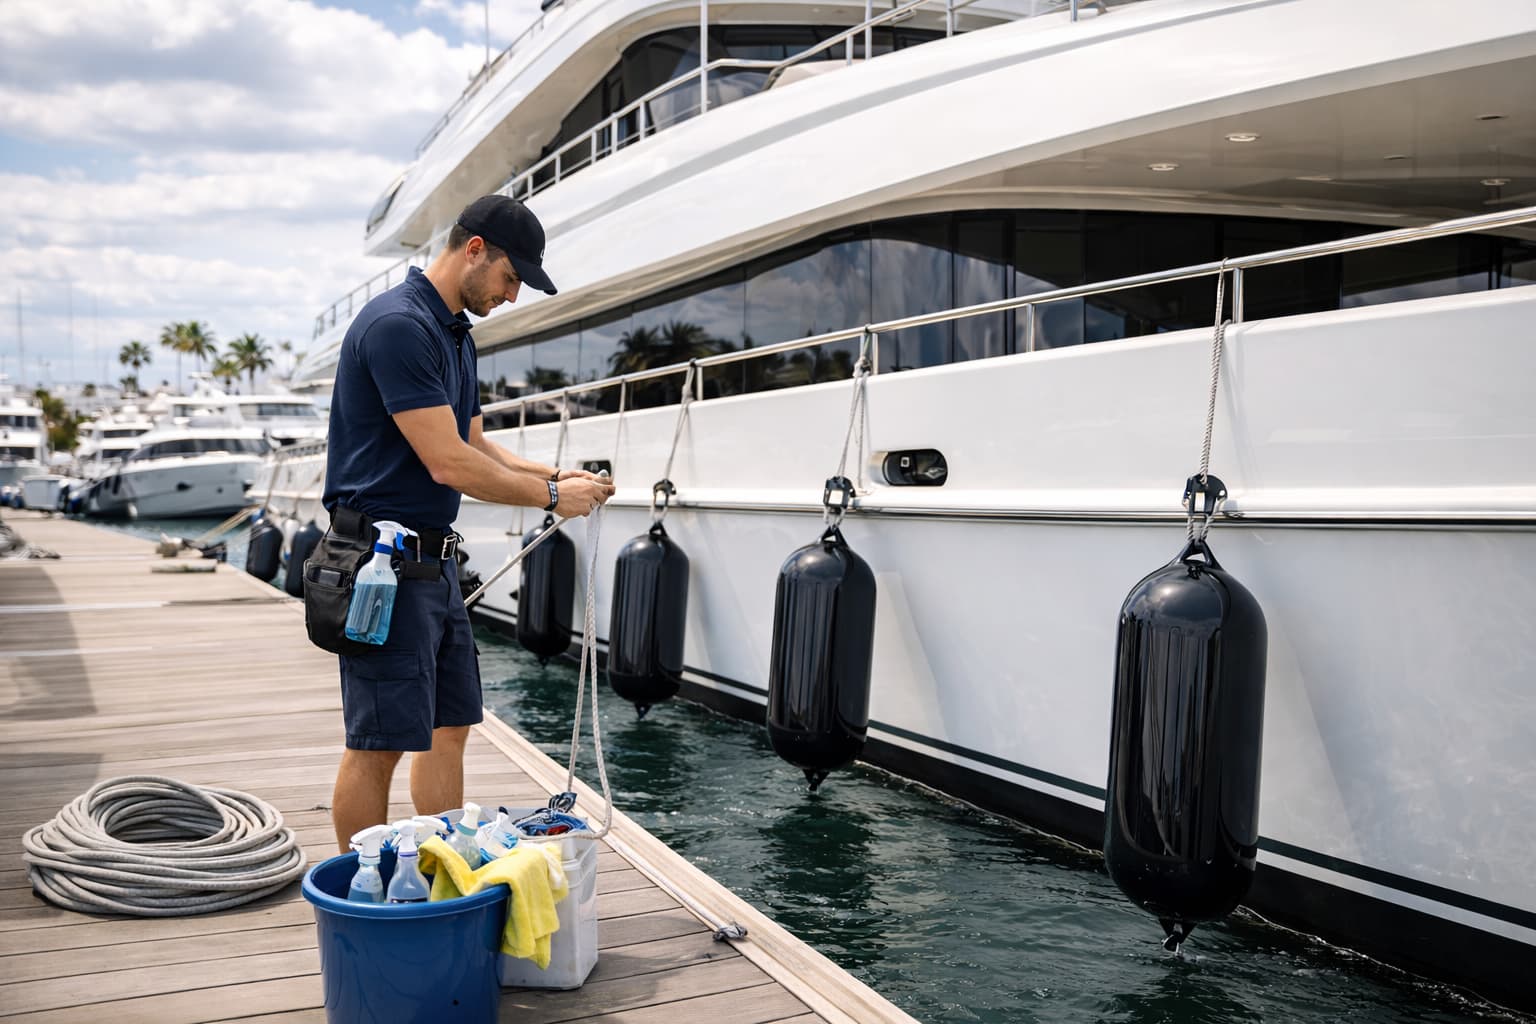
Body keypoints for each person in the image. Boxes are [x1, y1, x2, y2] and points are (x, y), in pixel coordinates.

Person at [322, 194, 614, 852]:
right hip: (381, 564)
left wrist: (559, 475)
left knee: (450, 724)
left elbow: (475, 444)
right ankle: (360, 888)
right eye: (511, 278)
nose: (512, 296)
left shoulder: (455, 334)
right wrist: (550, 497)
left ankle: (443, 861)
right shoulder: (398, 326)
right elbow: (447, 463)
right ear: (474, 250)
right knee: (378, 743)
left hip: (432, 565)